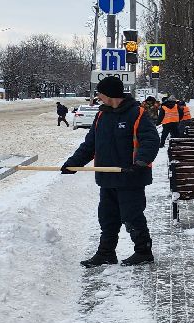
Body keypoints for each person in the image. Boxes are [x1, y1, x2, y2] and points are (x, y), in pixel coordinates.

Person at [63, 76, 162, 267]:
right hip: (107, 176)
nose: (98, 97)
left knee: (132, 216)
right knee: (107, 217)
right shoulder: (102, 116)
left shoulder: (137, 114)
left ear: (110, 94)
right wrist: (73, 164)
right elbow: (90, 145)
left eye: (100, 93)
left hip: (130, 176)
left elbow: (151, 141)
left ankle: (143, 252)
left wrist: (140, 162)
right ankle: (106, 253)